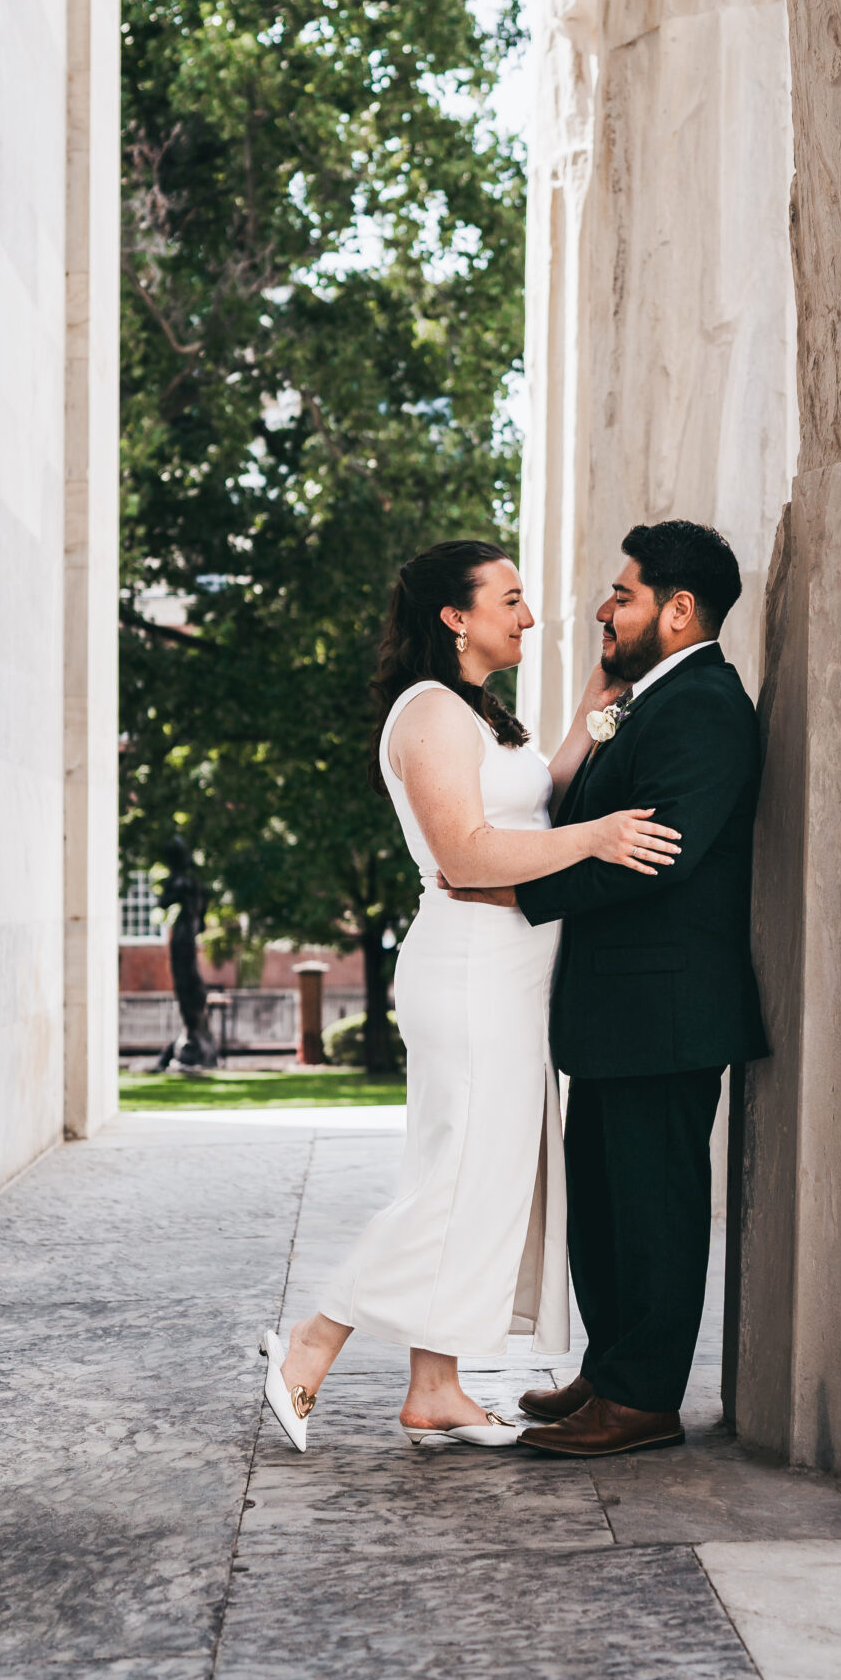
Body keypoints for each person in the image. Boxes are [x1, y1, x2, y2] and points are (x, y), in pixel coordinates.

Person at [259, 539, 683, 1451]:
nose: (529, 617)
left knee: (478, 1178)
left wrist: (584, 721)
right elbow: (466, 855)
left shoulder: (473, 711)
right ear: (455, 616)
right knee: (456, 1180)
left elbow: (532, 806)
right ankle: (313, 1340)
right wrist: (598, 838)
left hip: (511, 969)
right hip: (469, 969)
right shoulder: (427, 715)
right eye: (511, 599)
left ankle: (436, 1387)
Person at [449, 520, 769, 1460]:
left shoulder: (705, 705)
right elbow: (581, 815)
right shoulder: (646, 698)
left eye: (622, 594)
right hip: (617, 1006)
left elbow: (653, 860)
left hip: (664, 1006)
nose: (601, 606)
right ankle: (611, 1367)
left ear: (678, 610)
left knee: (654, 1206)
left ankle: (644, 1399)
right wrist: (594, 713)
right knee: (604, 1199)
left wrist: (509, 887)